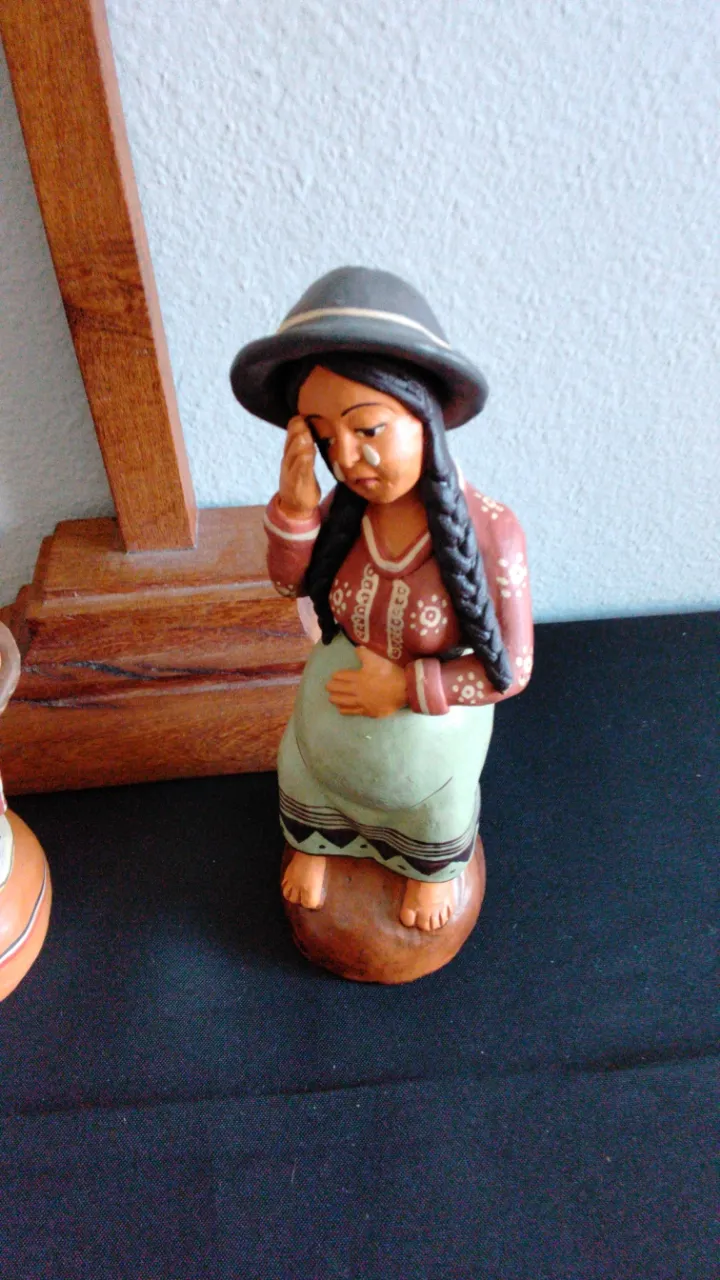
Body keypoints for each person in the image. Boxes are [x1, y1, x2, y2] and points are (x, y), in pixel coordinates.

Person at [231, 268, 532, 933]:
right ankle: (316, 840)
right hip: (327, 732)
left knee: (433, 805)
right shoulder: (345, 513)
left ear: (425, 416)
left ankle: (429, 866)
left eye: (367, 429)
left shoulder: (490, 532)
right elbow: (288, 585)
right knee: (303, 770)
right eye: (324, 436)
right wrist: (296, 510)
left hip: (430, 743)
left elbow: (511, 670)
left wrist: (404, 688)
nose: (345, 457)